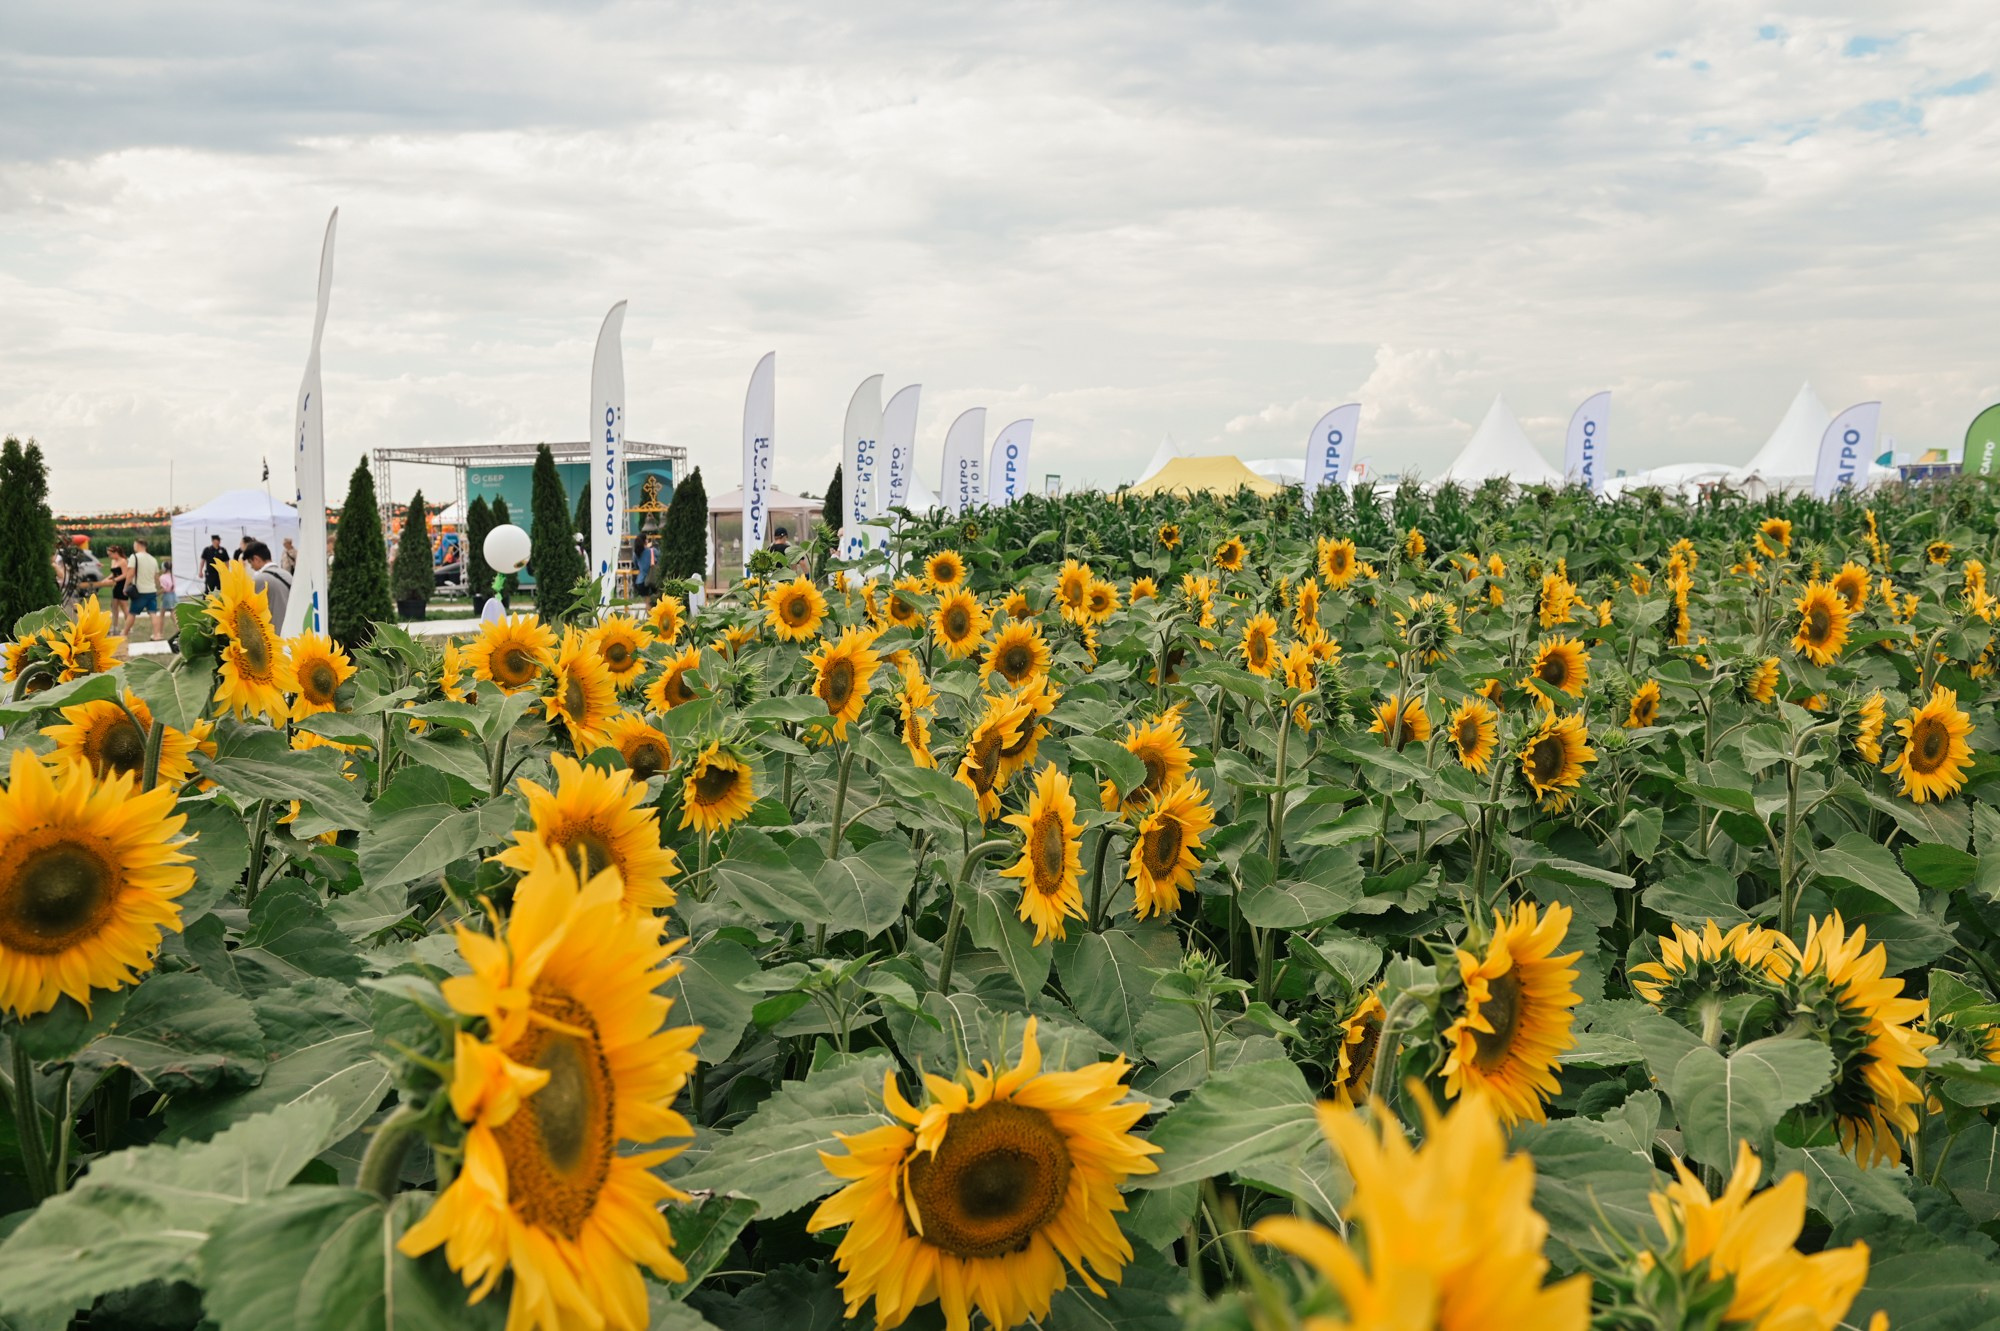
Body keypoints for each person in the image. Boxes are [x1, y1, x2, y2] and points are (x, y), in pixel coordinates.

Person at [246, 541, 292, 625]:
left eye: (250, 562)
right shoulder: (287, 574)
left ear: (256, 559)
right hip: (292, 627)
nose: (251, 566)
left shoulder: (259, 579)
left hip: (275, 629)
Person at [129, 538, 164, 640]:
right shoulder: (153, 559)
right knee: (153, 613)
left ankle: (124, 633)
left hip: (139, 591)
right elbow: (156, 577)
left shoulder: (134, 557)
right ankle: (157, 635)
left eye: (134, 544)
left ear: (138, 545)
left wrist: (126, 585)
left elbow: (130, 573)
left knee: (132, 613)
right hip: (151, 590)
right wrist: (159, 587)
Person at [107, 544, 130, 633]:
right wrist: (106, 580)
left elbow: (125, 574)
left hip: (122, 585)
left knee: (124, 606)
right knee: (114, 606)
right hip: (116, 586)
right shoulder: (113, 561)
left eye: (110, 554)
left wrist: (114, 580)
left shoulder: (123, 561)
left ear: (116, 553)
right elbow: (113, 573)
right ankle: (115, 626)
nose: (109, 556)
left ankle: (129, 626)